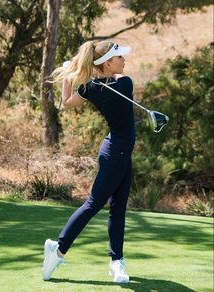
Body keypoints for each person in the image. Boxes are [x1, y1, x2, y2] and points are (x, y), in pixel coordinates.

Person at [43, 40, 136, 284]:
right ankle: (59, 249)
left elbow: (67, 101)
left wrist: (71, 76)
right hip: (116, 152)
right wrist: (79, 74)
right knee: (94, 204)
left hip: (119, 151)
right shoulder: (124, 84)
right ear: (107, 63)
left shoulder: (91, 88)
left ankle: (116, 262)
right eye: (120, 58)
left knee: (118, 210)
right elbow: (85, 94)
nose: (124, 61)